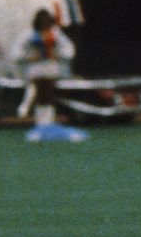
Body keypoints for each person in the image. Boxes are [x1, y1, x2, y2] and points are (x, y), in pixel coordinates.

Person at [13, 8, 86, 142]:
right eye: (43, 22)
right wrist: (29, 58)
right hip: (35, 70)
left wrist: (57, 55)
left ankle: (47, 123)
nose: (45, 25)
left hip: (51, 69)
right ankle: (41, 124)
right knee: (40, 95)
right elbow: (16, 53)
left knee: (48, 95)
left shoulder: (56, 34)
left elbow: (69, 50)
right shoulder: (28, 35)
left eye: (47, 22)